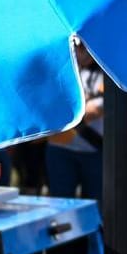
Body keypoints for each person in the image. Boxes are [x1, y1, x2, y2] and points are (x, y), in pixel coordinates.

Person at [47, 47, 106, 201]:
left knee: (94, 207)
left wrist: (71, 111)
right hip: (60, 149)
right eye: (78, 46)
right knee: (61, 205)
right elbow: (50, 105)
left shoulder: (105, 73)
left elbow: (97, 109)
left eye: (85, 47)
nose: (81, 52)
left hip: (94, 150)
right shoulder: (59, 70)